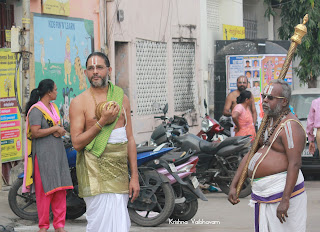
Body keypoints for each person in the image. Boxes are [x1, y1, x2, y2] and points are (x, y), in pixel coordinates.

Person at [69, 52, 140, 232]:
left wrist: (135, 178)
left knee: (120, 224)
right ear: (85, 73)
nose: (95, 72)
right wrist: (102, 122)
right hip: (93, 173)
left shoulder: (121, 99)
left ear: (108, 70)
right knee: (98, 224)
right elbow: (77, 144)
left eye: (99, 67)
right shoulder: (79, 102)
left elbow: (130, 139)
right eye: (91, 68)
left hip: (119, 173)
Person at [228, 79, 307, 232]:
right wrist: (234, 184)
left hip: (282, 194)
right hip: (263, 193)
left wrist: (285, 200)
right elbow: (252, 153)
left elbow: (295, 164)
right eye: (264, 96)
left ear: (284, 102)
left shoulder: (291, 126)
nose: (264, 100)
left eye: (270, 98)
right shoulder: (268, 122)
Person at [23, 79, 73, 232]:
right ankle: (43, 226)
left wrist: (59, 130)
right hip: (43, 156)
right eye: (56, 90)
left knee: (60, 190)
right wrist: (55, 130)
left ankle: (59, 225)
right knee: (45, 191)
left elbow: (56, 127)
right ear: (49, 92)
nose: (57, 92)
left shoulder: (53, 107)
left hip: (57, 153)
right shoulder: (36, 110)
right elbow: (35, 132)